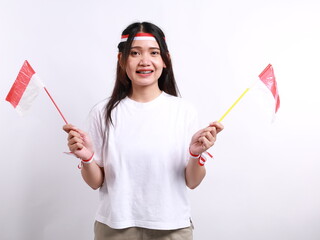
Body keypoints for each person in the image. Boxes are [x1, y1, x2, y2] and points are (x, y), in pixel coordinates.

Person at [63, 22, 224, 240]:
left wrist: (196, 154)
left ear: (165, 60)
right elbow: (95, 182)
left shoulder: (184, 111)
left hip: (172, 228)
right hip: (115, 228)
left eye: (154, 53)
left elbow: (192, 182)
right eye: (135, 53)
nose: (145, 61)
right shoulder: (102, 112)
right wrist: (88, 158)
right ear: (121, 60)